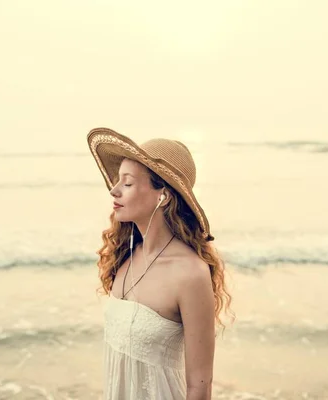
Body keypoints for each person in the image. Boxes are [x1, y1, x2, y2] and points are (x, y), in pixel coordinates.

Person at [87, 127, 233, 400]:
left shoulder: (190, 273)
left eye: (127, 183)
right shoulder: (125, 256)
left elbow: (200, 387)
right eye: (118, 182)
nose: (114, 191)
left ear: (162, 196)